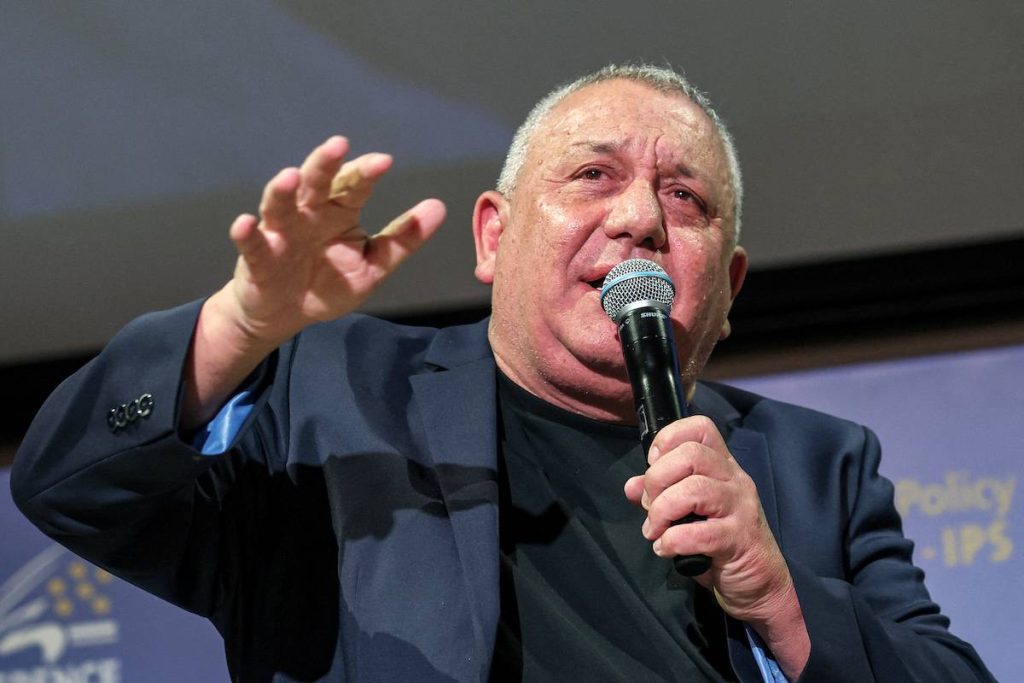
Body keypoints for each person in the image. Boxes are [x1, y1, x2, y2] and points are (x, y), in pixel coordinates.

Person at [11, 64, 993, 682]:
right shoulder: (338, 394)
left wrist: (775, 592)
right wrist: (243, 322)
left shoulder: (816, 466)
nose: (640, 219)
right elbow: (71, 484)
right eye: (593, 175)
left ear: (728, 288)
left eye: (685, 198)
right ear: (493, 236)